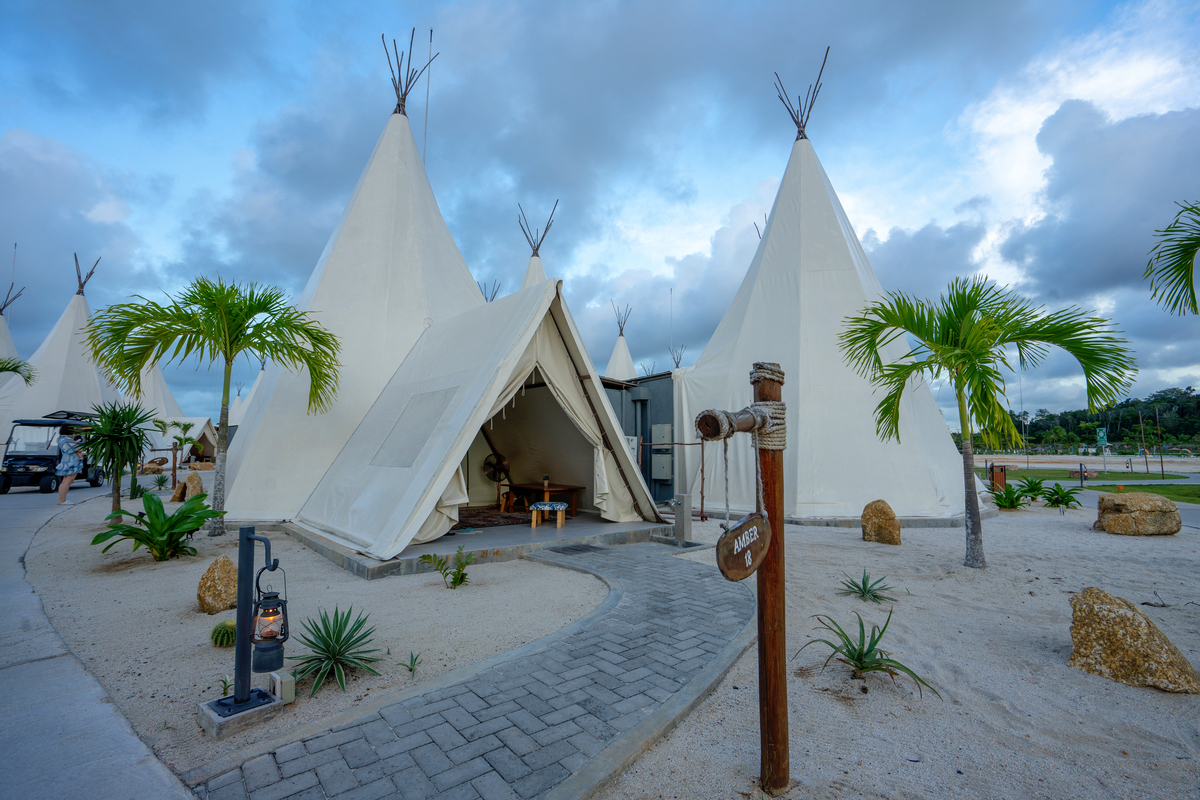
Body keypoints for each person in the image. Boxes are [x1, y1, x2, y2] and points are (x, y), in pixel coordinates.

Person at [56, 425, 83, 505]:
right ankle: (62, 500)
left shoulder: (60, 439)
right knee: (67, 482)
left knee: (64, 481)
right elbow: (78, 449)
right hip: (72, 462)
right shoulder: (69, 440)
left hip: (65, 461)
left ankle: (61, 499)